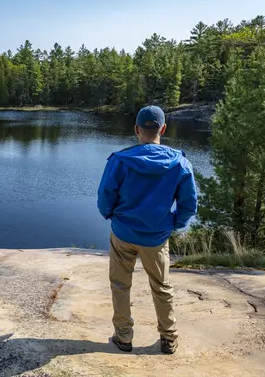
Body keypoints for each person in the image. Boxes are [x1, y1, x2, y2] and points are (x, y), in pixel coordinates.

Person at [97, 105, 197, 355]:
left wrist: (111, 216)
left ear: (136, 130)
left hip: (123, 233)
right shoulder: (180, 163)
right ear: (163, 128)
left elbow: (105, 197)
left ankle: (123, 338)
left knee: (120, 285)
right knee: (161, 286)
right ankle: (168, 338)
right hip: (157, 237)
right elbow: (188, 204)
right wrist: (173, 223)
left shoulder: (120, 160)